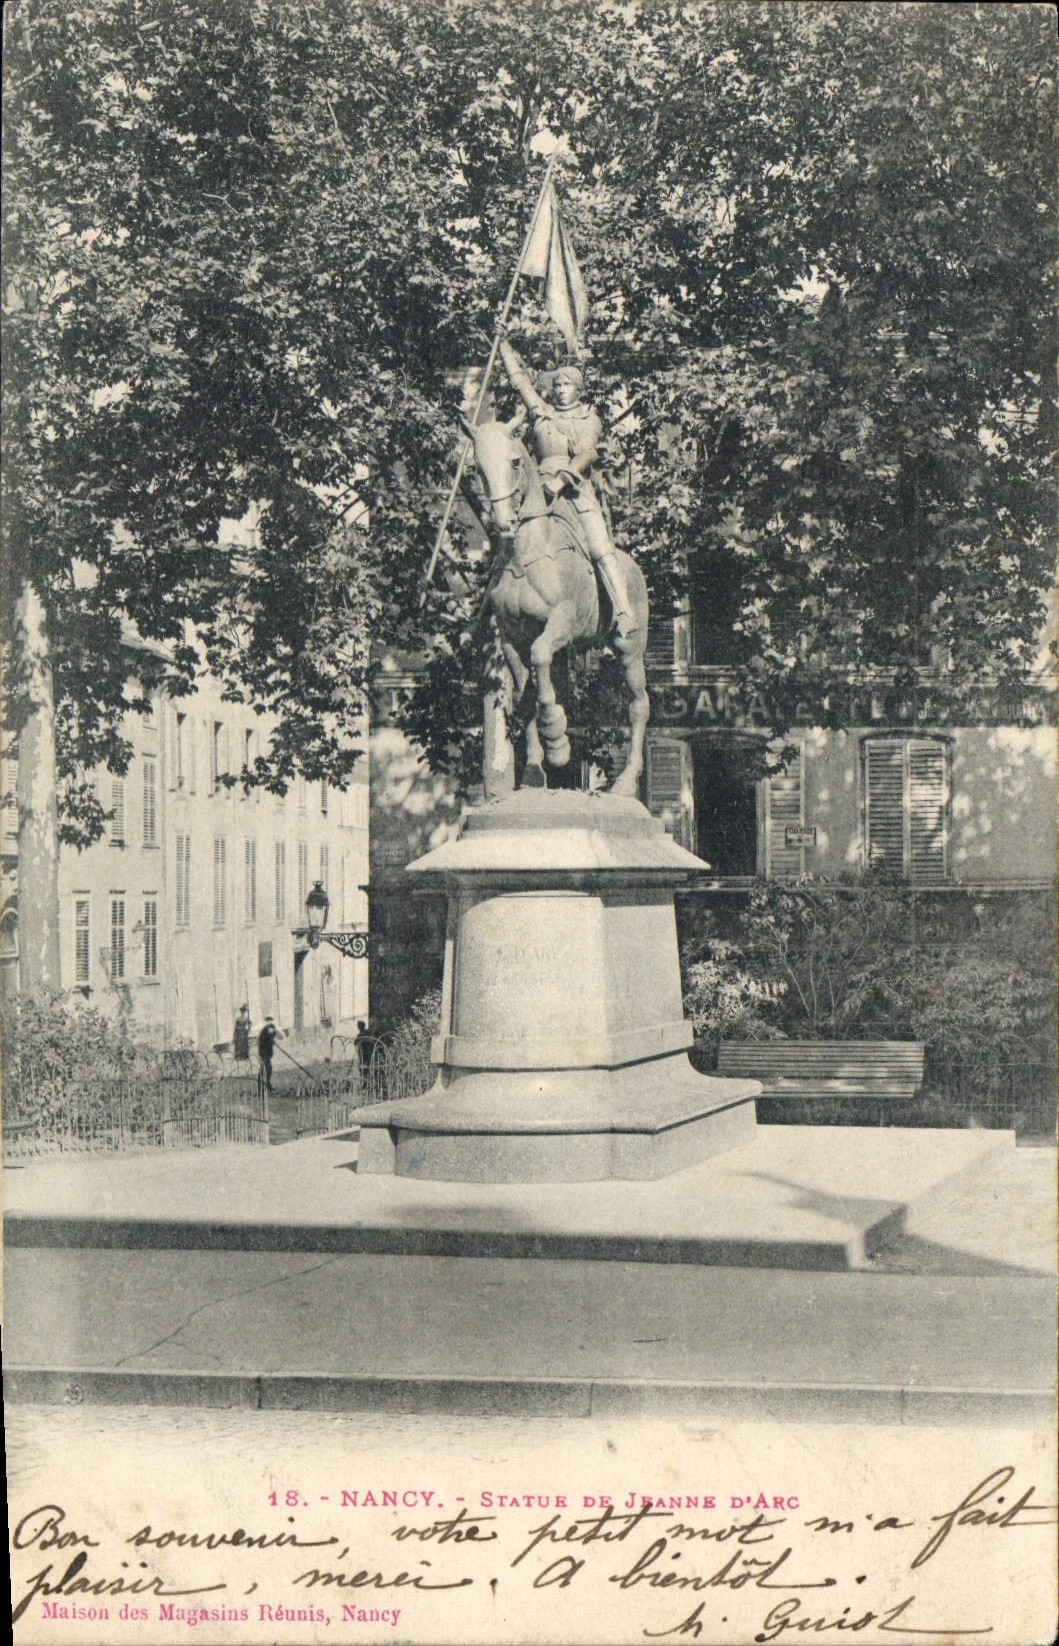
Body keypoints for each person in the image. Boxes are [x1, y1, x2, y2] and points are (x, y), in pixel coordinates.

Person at [497, 326, 639, 640]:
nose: (561, 389)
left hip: (574, 491)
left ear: (578, 389)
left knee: (600, 546)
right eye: (558, 385)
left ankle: (624, 609)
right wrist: (503, 345)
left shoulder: (589, 418)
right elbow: (520, 382)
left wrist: (561, 482)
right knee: (507, 544)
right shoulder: (543, 414)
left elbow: (587, 453)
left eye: (567, 385)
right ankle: (485, 615)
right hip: (537, 491)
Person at [257, 1016, 281, 1091]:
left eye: (271, 1021)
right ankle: (263, 1085)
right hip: (264, 1052)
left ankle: (264, 1084)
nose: (270, 1023)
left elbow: (276, 1035)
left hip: (267, 1052)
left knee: (267, 1068)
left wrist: (272, 1039)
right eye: (268, 1021)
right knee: (266, 1068)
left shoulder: (271, 1029)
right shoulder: (264, 1031)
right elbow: (261, 1042)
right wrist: (270, 1041)